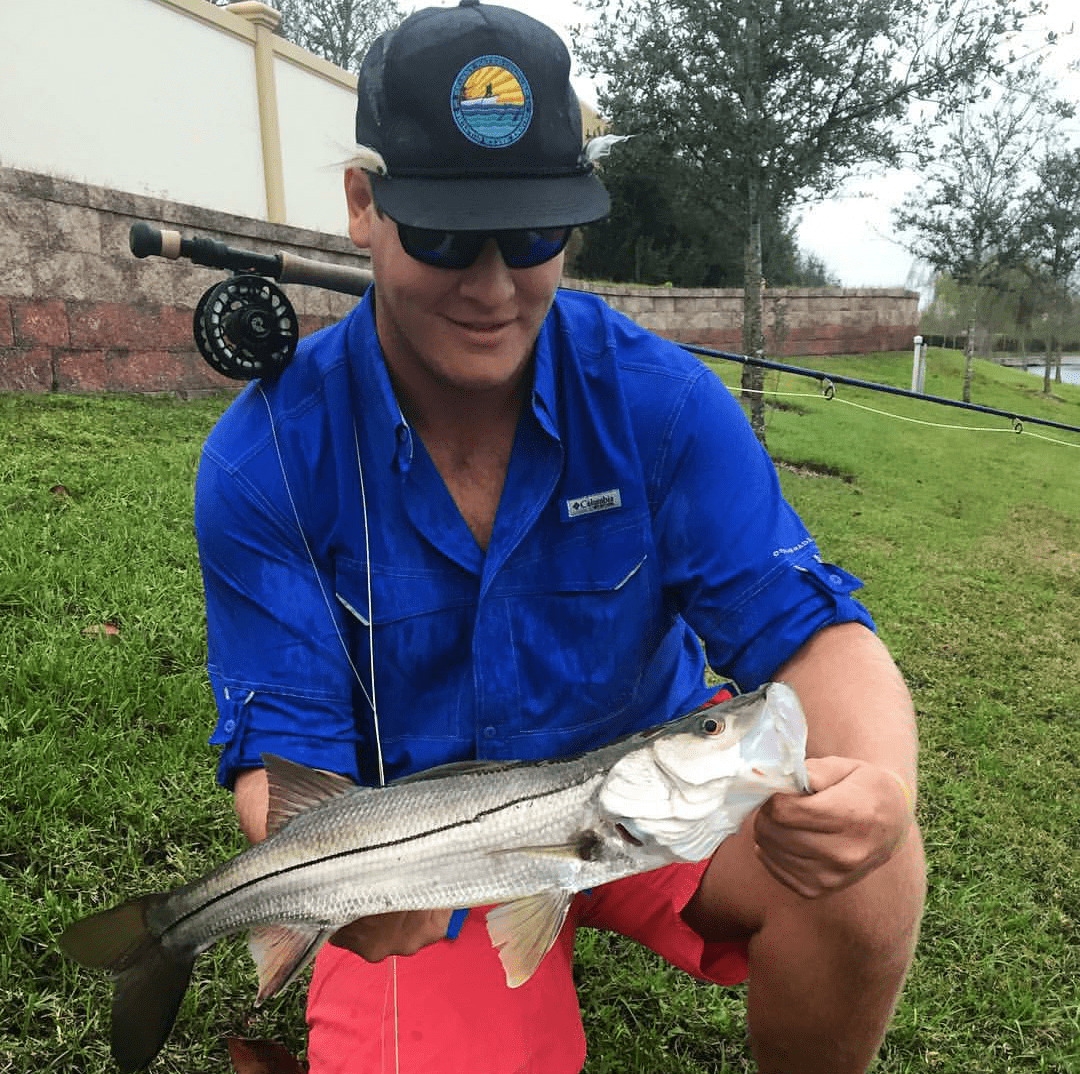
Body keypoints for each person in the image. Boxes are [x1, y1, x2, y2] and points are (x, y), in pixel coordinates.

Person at [194, 3, 926, 1072]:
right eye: (445, 235)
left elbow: (815, 633)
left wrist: (881, 791)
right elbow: (288, 764)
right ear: (362, 205)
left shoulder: (664, 404)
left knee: (875, 871)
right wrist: (350, 887)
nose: (493, 286)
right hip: (426, 854)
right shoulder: (264, 457)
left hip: (656, 799)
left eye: (535, 234)